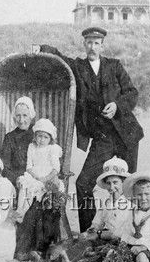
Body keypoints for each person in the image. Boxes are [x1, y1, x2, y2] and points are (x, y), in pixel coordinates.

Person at [38, 26, 144, 233]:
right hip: (102, 138)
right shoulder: (78, 67)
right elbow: (59, 56)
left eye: (96, 43)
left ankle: (134, 231)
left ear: (102, 45)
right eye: (89, 42)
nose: (92, 47)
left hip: (126, 134)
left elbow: (132, 93)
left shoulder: (114, 66)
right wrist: (41, 48)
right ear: (84, 44)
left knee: (130, 185)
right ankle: (90, 232)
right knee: (83, 183)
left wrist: (116, 105)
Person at [14, 118, 63, 223]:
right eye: (39, 136)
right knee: (24, 186)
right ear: (35, 136)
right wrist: (34, 176)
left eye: (46, 137)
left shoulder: (52, 149)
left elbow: (56, 169)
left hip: (47, 176)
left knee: (32, 190)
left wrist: (44, 179)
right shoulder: (32, 147)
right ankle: (19, 210)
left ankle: (23, 212)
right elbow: (29, 166)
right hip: (34, 175)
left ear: (50, 139)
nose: (42, 140)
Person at [0, 96, 36, 187]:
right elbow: (4, 167)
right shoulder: (9, 138)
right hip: (16, 182)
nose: (21, 120)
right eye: (18, 115)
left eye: (25, 115)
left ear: (31, 115)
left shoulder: (38, 135)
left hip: (37, 179)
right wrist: (17, 180)